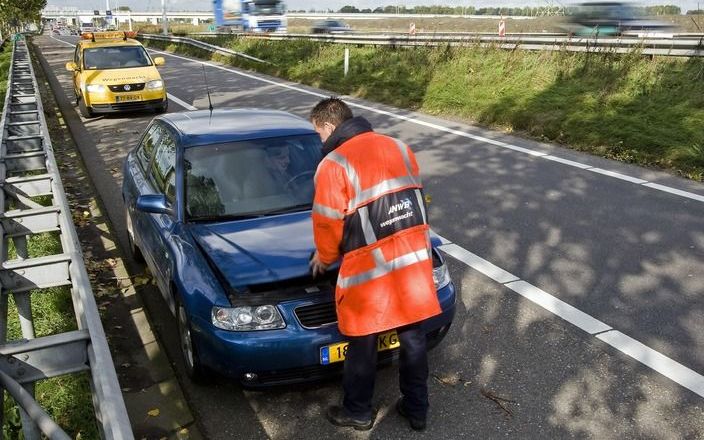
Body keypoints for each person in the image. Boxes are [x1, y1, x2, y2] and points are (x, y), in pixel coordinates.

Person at [308, 97, 441, 432]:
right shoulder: (399, 147)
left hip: (370, 273)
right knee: (413, 338)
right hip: (413, 261)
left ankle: (358, 411)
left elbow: (326, 223)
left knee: (362, 343)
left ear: (328, 126)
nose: (319, 141)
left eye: (318, 134)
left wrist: (323, 259)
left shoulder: (334, 164)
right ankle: (417, 409)